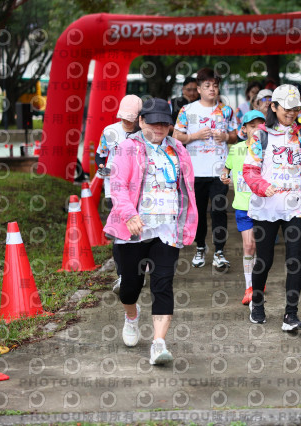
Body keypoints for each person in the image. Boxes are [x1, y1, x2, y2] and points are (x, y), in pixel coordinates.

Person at [103, 98, 198, 365]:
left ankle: (158, 344)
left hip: (167, 229)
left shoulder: (178, 149)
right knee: (130, 288)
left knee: (163, 285)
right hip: (134, 229)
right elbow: (118, 186)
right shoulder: (126, 148)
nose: (159, 128)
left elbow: (186, 188)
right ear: (141, 121)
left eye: (164, 124)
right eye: (154, 122)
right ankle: (131, 315)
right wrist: (129, 214)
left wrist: (187, 222)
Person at [243, 84, 301, 331]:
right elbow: (249, 170)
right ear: (274, 107)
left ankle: (291, 315)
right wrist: (263, 187)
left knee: (295, 260)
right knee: (265, 259)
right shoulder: (260, 135)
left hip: (295, 206)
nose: (292, 113)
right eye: (287, 108)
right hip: (266, 207)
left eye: (296, 109)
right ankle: (257, 302)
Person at [173, 67, 238, 269]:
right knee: (198, 212)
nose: (212, 89)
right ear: (199, 89)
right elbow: (176, 137)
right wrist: (195, 136)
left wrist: (225, 137)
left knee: (219, 210)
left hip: (219, 171)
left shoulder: (226, 110)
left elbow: (236, 136)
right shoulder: (187, 111)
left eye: (215, 86)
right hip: (195, 171)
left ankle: (219, 252)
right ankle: (200, 247)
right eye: (207, 85)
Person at [95, 94, 142, 294]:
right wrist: (101, 167)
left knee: (137, 234)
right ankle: (123, 275)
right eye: (124, 117)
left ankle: (138, 272)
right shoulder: (110, 131)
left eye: (131, 118)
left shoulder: (144, 134)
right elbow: (100, 155)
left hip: (138, 191)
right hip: (114, 189)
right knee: (118, 235)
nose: (127, 122)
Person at [220, 110, 266, 305]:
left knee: (262, 248)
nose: (256, 129)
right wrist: (224, 176)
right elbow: (226, 169)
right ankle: (249, 287)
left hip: (264, 206)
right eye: (252, 126)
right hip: (243, 206)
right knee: (249, 246)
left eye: (260, 125)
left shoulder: (269, 149)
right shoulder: (237, 149)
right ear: (244, 129)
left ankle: (259, 279)